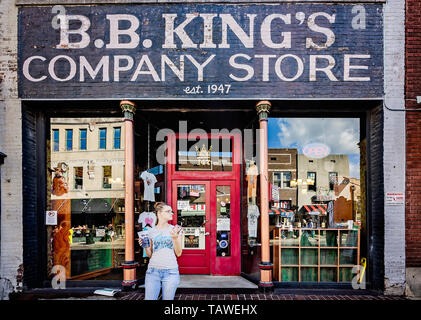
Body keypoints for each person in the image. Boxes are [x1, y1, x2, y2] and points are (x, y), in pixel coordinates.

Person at [138, 202, 183, 300]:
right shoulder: (150, 231)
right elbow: (150, 254)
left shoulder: (176, 230)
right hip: (153, 272)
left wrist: (175, 238)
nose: (171, 213)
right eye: (168, 211)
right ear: (159, 213)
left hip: (171, 272)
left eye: (172, 211)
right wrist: (145, 246)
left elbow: (179, 253)